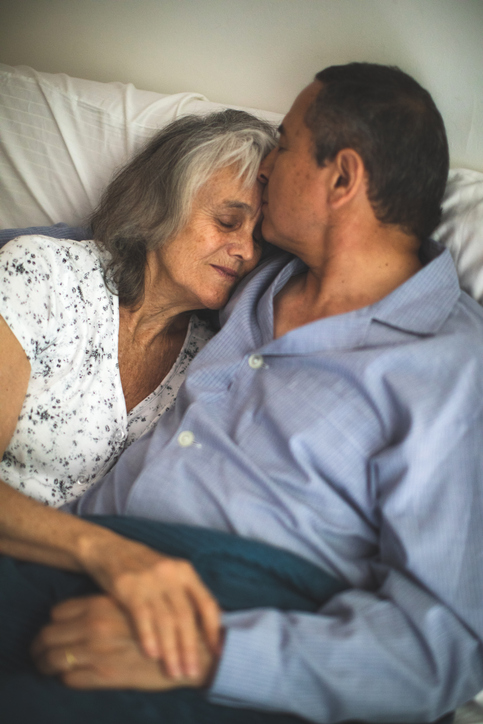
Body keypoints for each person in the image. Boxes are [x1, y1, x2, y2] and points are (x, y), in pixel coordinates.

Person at [2, 62, 483, 724]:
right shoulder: (252, 285)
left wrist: (213, 653)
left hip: (239, 612)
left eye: (281, 144)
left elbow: (441, 650)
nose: (266, 166)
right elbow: (129, 256)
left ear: (341, 178)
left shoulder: (452, 368)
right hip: (84, 558)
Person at [0, 109, 276, 674]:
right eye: (228, 220)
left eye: (259, 238)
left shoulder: (214, 359)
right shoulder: (42, 277)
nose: (246, 251)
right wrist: (109, 555)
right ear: (162, 203)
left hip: (69, 606)